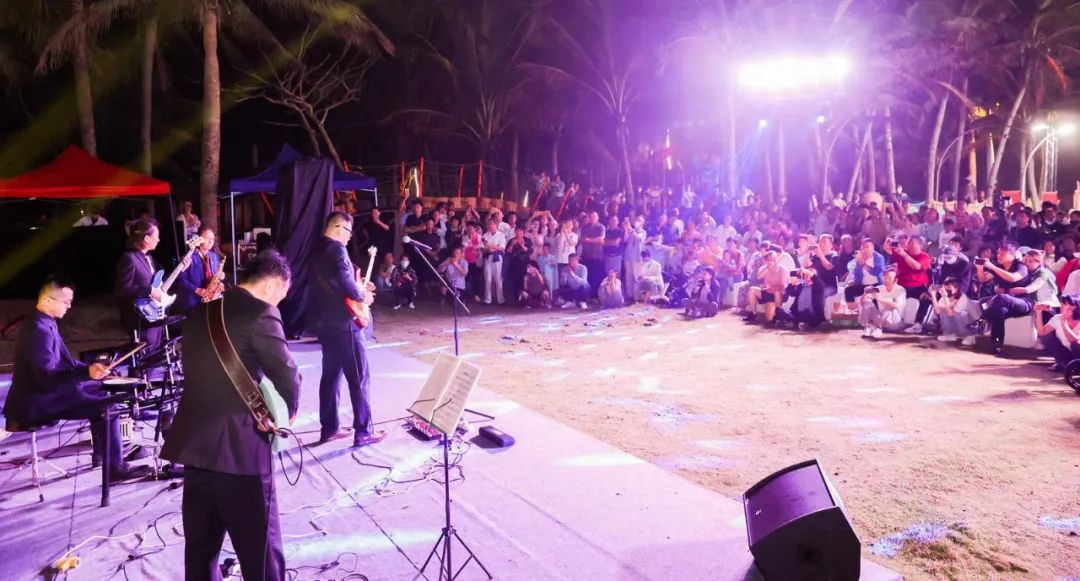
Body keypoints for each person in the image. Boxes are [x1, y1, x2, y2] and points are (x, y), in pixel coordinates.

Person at [161, 251, 300, 581]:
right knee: (261, 556)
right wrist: (287, 417)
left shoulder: (200, 314)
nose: (278, 304)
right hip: (241, 453)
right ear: (271, 286)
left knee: (201, 553)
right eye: (281, 296)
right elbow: (288, 377)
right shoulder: (262, 313)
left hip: (194, 448)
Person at [2, 275, 153, 481]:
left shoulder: (45, 322)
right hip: (37, 401)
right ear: (47, 300)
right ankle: (115, 468)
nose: (69, 306)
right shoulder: (38, 330)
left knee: (103, 389)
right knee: (108, 406)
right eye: (66, 302)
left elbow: (68, 363)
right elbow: (47, 378)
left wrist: (94, 371)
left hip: (45, 392)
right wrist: (86, 374)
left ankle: (102, 455)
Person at [307, 212, 384, 447]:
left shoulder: (315, 249)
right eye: (349, 232)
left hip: (325, 323)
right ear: (339, 228)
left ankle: (329, 428)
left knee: (330, 376)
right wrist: (362, 295)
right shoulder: (338, 250)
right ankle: (363, 432)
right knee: (359, 377)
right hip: (346, 324)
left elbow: (333, 283)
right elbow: (343, 279)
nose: (350, 237)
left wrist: (359, 285)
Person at [116, 218, 189, 352]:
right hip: (141, 318)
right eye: (156, 237)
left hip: (155, 315)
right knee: (147, 355)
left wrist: (181, 269)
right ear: (146, 238)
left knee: (157, 353)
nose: (158, 240)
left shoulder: (149, 258)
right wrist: (149, 290)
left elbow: (160, 285)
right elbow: (123, 289)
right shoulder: (129, 258)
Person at [972, 244, 1030, 356]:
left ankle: (981, 321)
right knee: (994, 308)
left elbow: (1013, 278)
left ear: (1012, 255)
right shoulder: (999, 266)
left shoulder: (1021, 266)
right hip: (1003, 303)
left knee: (1002, 297)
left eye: (1003, 253)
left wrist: (993, 267)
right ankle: (997, 345)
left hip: (1022, 303)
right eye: (998, 253)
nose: (999, 255)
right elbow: (983, 279)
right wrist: (980, 268)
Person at [886, 235, 932, 334]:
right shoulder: (903, 252)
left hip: (918, 287)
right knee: (888, 293)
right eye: (909, 242)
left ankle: (918, 325)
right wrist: (888, 242)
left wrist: (905, 255)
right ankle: (890, 322)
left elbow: (916, 266)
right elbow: (887, 249)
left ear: (920, 245)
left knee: (926, 298)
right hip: (902, 286)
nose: (909, 245)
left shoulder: (924, 256)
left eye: (912, 243)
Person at [174, 226, 224, 315]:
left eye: (212, 239)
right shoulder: (188, 257)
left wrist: (221, 277)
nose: (211, 241)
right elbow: (181, 281)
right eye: (208, 238)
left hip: (210, 299)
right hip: (193, 301)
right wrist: (197, 290)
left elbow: (215, 276)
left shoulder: (214, 256)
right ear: (199, 239)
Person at [1035, 295, 1080, 372]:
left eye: (1065, 304)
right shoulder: (1057, 318)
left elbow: (1074, 340)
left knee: (1076, 345)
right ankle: (1063, 364)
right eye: (1062, 303)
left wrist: (1063, 322)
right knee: (1047, 337)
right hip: (1067, 353)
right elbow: (1041, 333)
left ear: (1074, 307)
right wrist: (1038, 313)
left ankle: (1076, 367)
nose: (1061, 305)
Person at [859, 268, 907, 339]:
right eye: (885, 277)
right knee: (868, 303)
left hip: (894, 321)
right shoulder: (878, 288)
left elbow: (897, 306)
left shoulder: (900, 290)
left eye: (889, 278)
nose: (886, 280)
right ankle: (867, 328)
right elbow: (862, 302)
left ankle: (879, 328)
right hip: (879, 318)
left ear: (895, 280)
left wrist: (879, 299)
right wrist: (865, 293)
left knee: (890, 304)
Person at [930, 277, 977, 346]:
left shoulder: (963, 298)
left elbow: (951, 313)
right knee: (944, 310)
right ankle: (950, 334)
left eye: (949, 288)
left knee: (958, 312)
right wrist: (933, 295)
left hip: (970, 324)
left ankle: (970, 336)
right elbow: (938, 311)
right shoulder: (945, 298)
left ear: (956, 289)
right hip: (957, 325)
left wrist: (945, 298)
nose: (947, 290)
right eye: (945, 288)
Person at [481, 219, 507, 305]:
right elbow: (482, 248)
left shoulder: (501, 235)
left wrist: (491, 246)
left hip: (497, 258)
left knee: (498, 279)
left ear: (496, 225)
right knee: (487, 278)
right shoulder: (485, 235)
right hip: (488, 257)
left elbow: (502, 248)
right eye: (489, 224)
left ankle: (501, 299)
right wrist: (490, 248)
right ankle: (487, 299)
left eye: (492, 224)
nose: (490, 226)